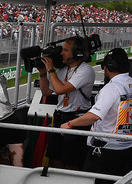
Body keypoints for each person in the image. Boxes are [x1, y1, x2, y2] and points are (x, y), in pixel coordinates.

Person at [61, 48, 132, 184]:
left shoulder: (111, 88)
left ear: (108, 68)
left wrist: (70, 123)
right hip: (125, 147)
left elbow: (94, 116)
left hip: (103, 149)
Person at [38, 36, 95, 169]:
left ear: (77, 53)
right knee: (55, 158)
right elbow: (46, 92)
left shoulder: (85, 70)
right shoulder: (63, 70)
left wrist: (50, 70)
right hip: (60, 117)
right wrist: (42, 73)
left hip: (76, 119)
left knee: (72, 161)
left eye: (65, 50)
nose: (61, 53)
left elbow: (60, 90)